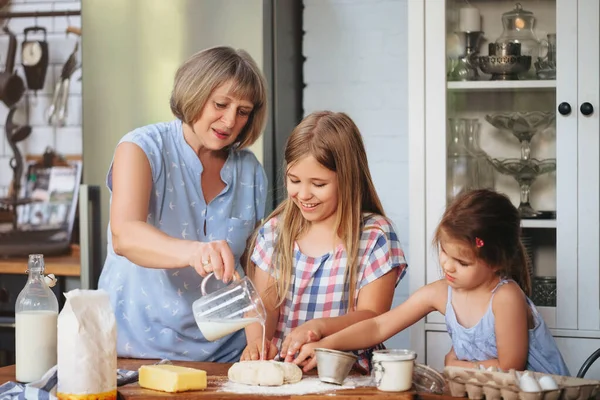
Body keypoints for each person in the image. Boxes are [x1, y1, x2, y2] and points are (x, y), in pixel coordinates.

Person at [97, 46, 268, 362]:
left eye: (243, 111)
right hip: (135, 351)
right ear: (194, 93)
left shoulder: (250, 170)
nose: (230, 120)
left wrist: (258, 341)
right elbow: (125, 235)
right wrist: (194, 251)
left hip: (225, 353)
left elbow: (256, 269)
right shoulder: (141, 148)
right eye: (220, 104)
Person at [294, 189, 570, 376]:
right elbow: (379, 326)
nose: (447, 266)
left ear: (496, 262)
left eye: (462, 262)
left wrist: (455, 366)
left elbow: (511, 367)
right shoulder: (441, 293)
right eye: (444, 252)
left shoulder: (505, 296)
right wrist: (326, 344)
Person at [240, 111, 408, 372]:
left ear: (348, 179)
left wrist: (319, 329)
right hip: (286, 372)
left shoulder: (375, 236)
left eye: (318, 184)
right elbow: (264, 307)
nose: (303, 194)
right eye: (294, 180)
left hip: (350, 374)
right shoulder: (274, 234)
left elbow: (372, 317)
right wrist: (258, 342)